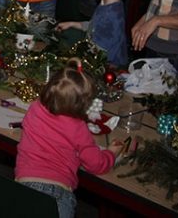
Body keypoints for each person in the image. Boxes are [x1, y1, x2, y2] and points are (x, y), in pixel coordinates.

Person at [15, 58, 124, 218]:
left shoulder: (35, 108)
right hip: (56, 193)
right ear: (82, 104)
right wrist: (112, 153)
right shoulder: (77, 127)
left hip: (21, 187)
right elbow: (95, 164)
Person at [57, 0, 131, 66]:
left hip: (109, 67)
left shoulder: (113, 16)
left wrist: (80, 60)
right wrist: (73, 24)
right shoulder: (105, 4)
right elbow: (95, 26)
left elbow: (101, 52)